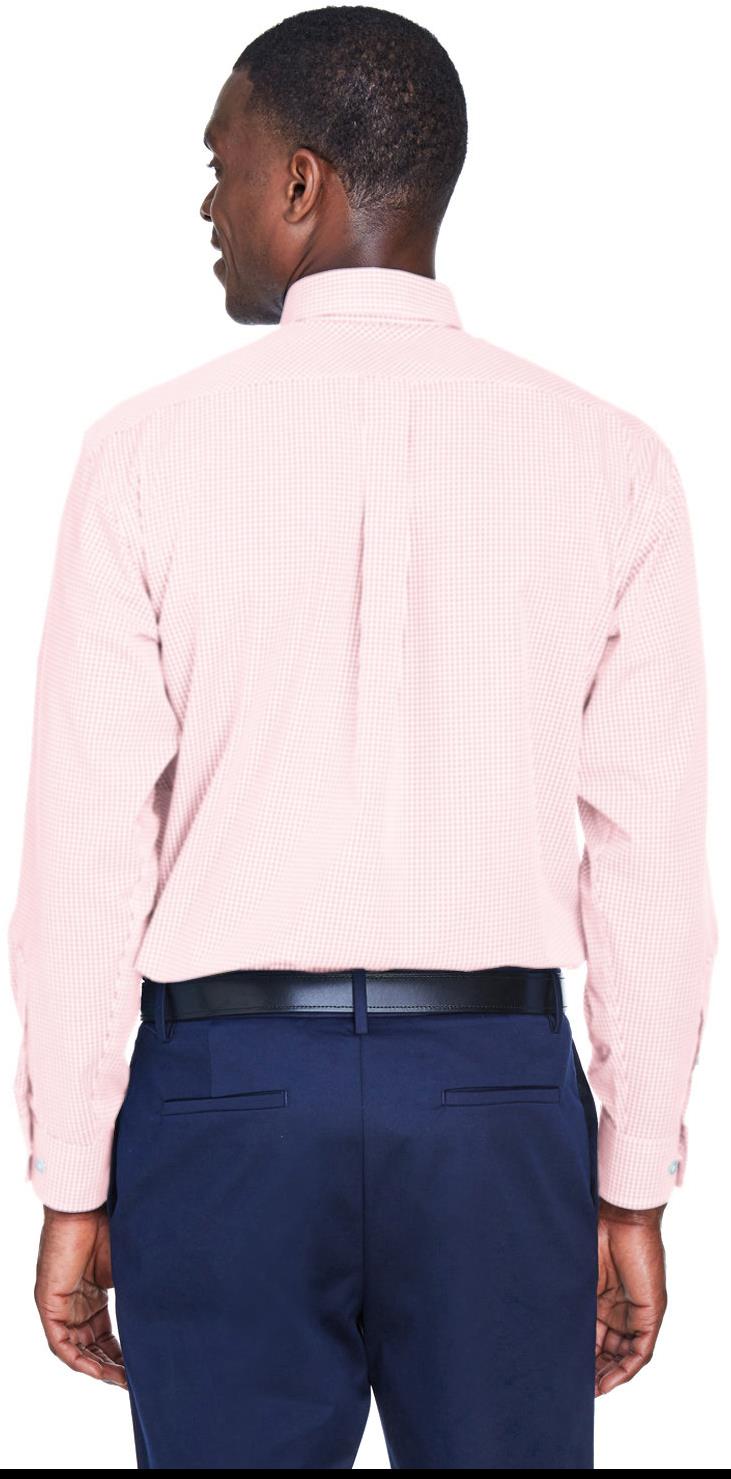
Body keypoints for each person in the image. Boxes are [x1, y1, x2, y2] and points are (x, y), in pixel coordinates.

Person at [9, 5, 717, 1471]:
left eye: (220, 164)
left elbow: (87, 846)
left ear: (302, 182)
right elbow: (650, 859)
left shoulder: (141, 453)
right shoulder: (612, 461)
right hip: (497, 1101)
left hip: (225, 1108)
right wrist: (633, 1179)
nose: (206, 204)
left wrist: (74, 1174)